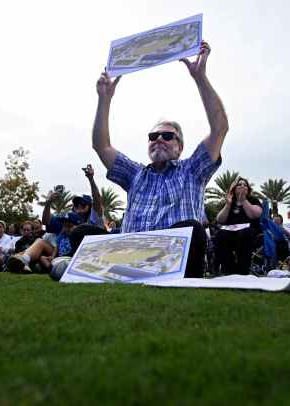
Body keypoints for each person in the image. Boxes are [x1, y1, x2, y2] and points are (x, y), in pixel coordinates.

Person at [92, 41, 228, 277]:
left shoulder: (192, 170)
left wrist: (200, 78)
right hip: (130, 257)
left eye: (167, 136)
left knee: (192, 229)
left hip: (174, 260)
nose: (159, 139)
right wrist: (105, 99)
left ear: (180, 147)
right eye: (154, 136)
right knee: (82, 231)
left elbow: (219, 128)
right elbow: (101, 146)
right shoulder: (135, 174)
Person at [213, 177, 263, 275]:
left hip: (249, 232)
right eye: (239, 184)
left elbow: (255, 215)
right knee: (220, 234)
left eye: (245, 185)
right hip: (231, 232)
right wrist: (228, 205)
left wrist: (243, 200)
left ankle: (243, 270)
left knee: (245, 233)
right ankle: (228, 269)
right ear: (234, 188)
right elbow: (219, 220)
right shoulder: (230, 201)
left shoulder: (253, 200)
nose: (242, 186)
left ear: (248, 189)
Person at [7, 211, 82, 274]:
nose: (66, 228)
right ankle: (23, 262)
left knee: (40, 244)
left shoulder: (79, 236)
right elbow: (57, 246)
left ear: (78, 226)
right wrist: (53, 256)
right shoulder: (62, 235)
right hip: (59, 257)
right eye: (65, 226)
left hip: (71, 259)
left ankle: (53, 270)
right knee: (41, 251)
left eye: (70, 226)